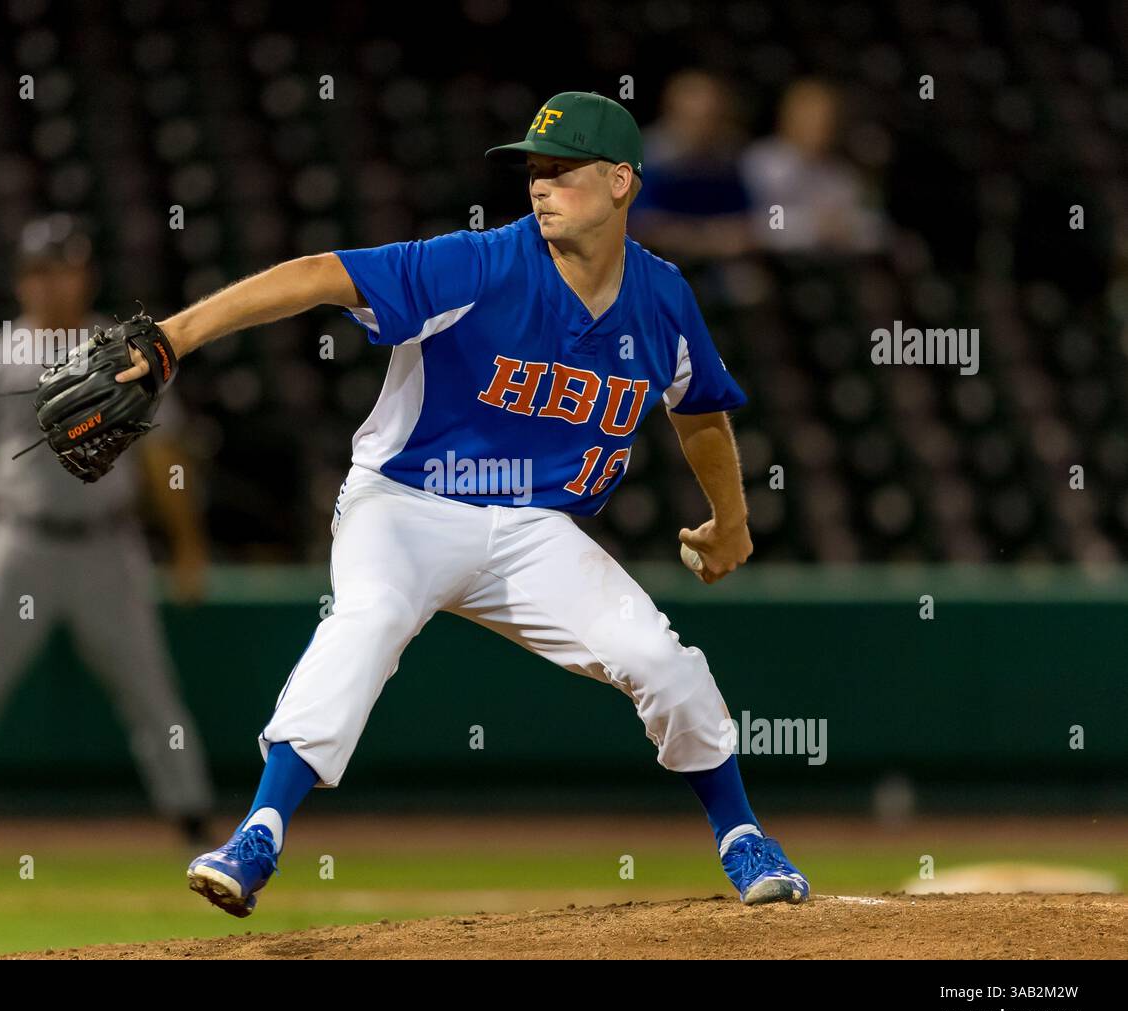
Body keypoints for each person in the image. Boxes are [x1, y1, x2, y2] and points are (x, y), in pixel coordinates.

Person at [119, 91, 810, 915]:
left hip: (531, 529)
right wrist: (174, 337)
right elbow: (315, 277)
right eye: (533, 171)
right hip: (403, 504)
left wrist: (732, 521)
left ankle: (741, 837)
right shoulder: (479, 264)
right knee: (368, 618)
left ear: (622, 181)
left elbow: (697, 408)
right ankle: (259, 831)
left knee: (660, 661)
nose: (540, 186)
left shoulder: (662, 299)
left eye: (562, 170)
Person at [0, 215, 214, 865]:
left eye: (66, 268)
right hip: (19, 544)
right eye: (42, 270)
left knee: (151, 688)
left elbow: (165, 459)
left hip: (110, 544)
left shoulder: (126, 348)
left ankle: (192, 818)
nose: (54, 284)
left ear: (86, 274)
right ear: (22, 281)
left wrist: (187, 548)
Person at [741, 78, 886, 253]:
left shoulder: (843, 173)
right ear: (788, 116)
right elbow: (761, 224)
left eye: (828, 118)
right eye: (811, 117)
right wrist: (814, 226)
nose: (820, 126)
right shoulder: (761, 163)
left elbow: (873, 227)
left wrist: (847, 227)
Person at [628, 71, 754, 261]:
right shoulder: (646, 159)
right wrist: (703, 241)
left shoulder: (727, 159)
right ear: (671, 112)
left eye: (712, 118)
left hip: (722, 261)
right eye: (695, 118)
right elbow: (642, 224)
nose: (704, 128)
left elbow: (744, 219)